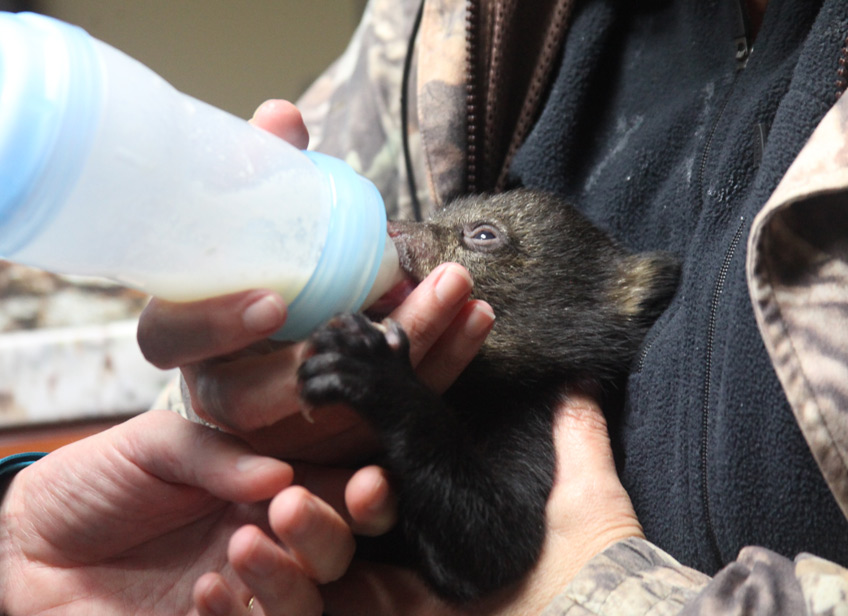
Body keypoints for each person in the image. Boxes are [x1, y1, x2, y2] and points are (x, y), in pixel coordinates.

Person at [140, 0, 848, 613]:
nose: (410, 237)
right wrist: (250, 359)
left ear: (616, 298)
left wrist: (398, 402)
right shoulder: (462, 25)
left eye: (481, 239)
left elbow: (484, 555)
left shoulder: (542, 404)